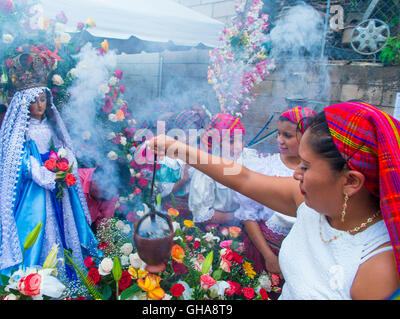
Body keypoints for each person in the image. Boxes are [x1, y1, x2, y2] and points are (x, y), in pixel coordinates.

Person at [148, 101, 400, 299]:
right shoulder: (309, 205)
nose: (295, 174)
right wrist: (175, 147)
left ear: (350, 182)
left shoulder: (378, 267)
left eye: (306, 166)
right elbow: (244, 179)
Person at [0, 52, 100, 300]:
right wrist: (41, 172)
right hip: (36, 188)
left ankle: (66, 280)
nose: (40, 105)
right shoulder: (20, 129)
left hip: (58, 185)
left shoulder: (52, 125)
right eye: (35, 100)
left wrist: (67, 163)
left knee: (68, 230)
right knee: (36, 230)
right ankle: (32, 284)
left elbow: (64, 146)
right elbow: (18, 158)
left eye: (44, 99)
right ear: (25, 103)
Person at [235, 106, 316, 279]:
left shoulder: (319, 171)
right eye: (278, 134)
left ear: (308, 136)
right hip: (265, 251)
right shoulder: (264, 166)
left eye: (287, 135)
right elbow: (248, 215)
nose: (280, 140)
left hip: (302, 261)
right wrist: (268, 256)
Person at [188, 113, 255, 227]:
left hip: (252, 224)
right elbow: (201, 215)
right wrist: (238, 216)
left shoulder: (250, 157)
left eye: (241, 139)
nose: (238, 146)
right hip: (220, 229)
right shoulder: (207, 167)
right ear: (217, 143)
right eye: (231, 141)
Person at [157, 110, 202, 219]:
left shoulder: (200, 151)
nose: (189, 136)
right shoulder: (166, 155)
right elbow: (160, 195)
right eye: (185, 132)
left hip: (196, 208)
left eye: (193, 132)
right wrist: (183, 179)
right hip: (172, 208)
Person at [79, 162, 130, 229]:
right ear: (96, 179)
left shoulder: (111, 194)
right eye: (105, 191)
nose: (108, 196)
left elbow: (104, 227)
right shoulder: (74, 181)